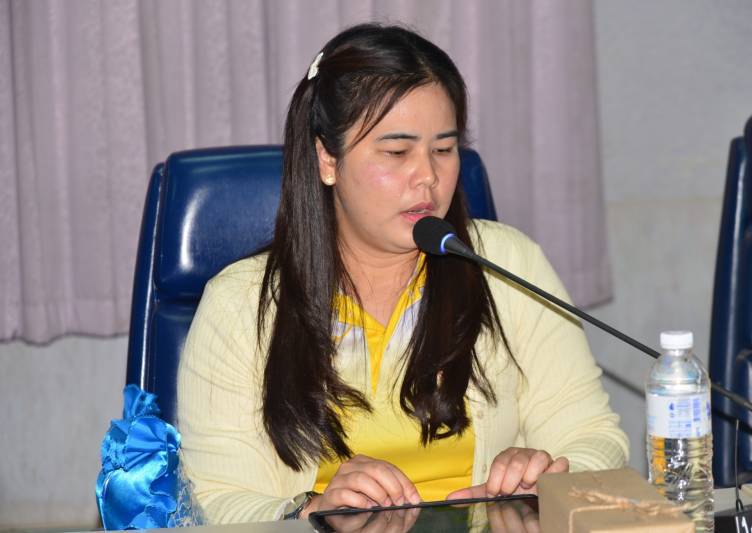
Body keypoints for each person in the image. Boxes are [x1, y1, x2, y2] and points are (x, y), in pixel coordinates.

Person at [177, 23, 629, 524]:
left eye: (444, 150)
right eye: (397, 152)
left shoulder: (508, 266)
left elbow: (593, 438)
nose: (428, 177)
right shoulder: (240, 304)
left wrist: (550, 477)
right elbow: (212, 501)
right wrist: (312, 512)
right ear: (328, 158)